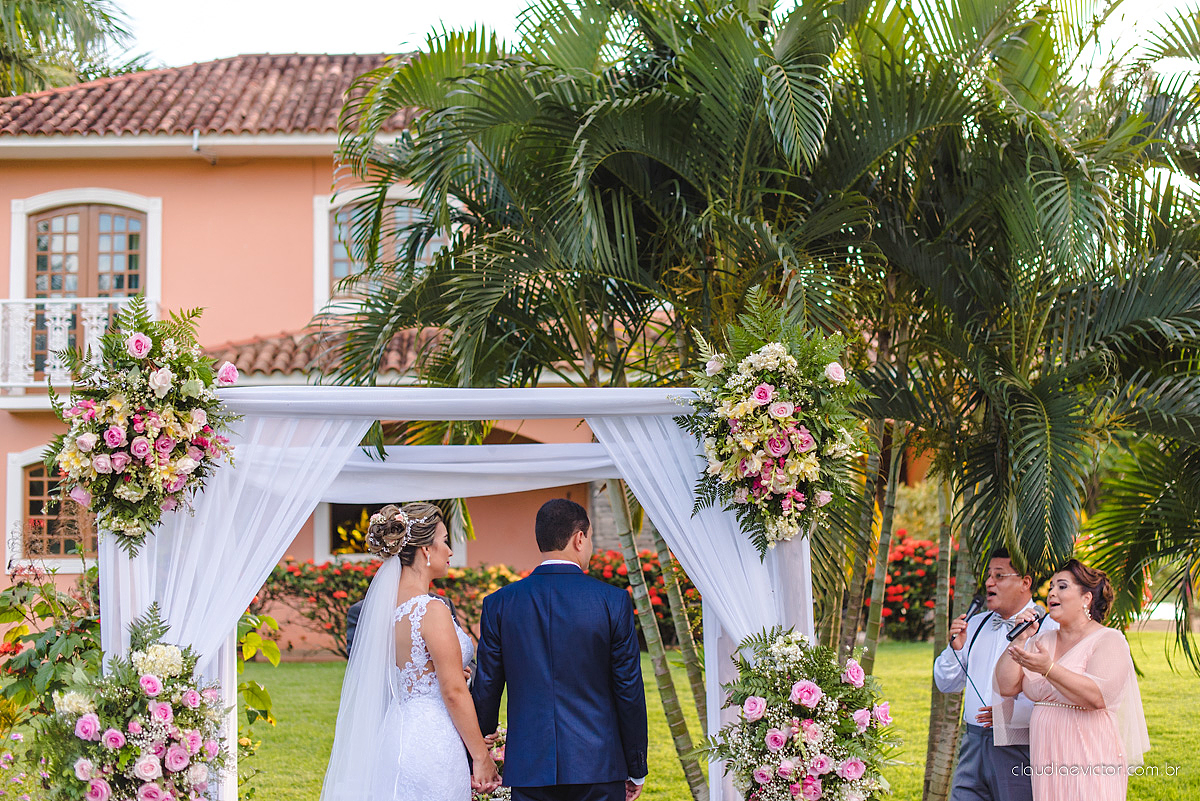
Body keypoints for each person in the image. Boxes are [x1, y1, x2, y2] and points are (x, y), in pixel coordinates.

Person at [320, 502, 500, 801]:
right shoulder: (431, 609)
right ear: (426, 550)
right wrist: (481, 757)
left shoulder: (381, 612)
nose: (451, 551)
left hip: (395, 733)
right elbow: (453, 691)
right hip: (432, 741)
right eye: (445, 541)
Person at [473, 498, 649, 801]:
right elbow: (628, 690)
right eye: (591, 538)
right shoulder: (612, 601)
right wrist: (636, 767)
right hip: (599, 765)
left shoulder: (499, 603)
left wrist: (479, 751)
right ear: (579, 538)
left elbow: (487, 684)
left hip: (530, 767)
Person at [995, 559, 1149, 801]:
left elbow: (1097, 697)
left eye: (1062, 587)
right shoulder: (1041, 640)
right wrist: (1019, 639)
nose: (1052, 592)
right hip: (1046, 756)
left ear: (1086, 598)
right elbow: (1006, 686)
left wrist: (1049, 669)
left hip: (1090, 754)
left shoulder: (1109, 639)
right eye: (1052, 586)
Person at [933, 548, 1057, 801]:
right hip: (973, 742)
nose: (989, 582)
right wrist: (954, 649)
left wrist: (1012, 714)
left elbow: (1059, 695)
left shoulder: (1049, 627)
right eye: (989, 575)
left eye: (999, 576)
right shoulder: (975, 625)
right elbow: (946, 684)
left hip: (1018, 744)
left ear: (1025, 582)